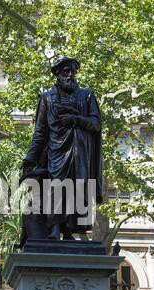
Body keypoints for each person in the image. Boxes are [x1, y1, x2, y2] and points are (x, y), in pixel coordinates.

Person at [21, 57, 103, 241]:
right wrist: (30, 159)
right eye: (66, 71)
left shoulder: (87, 95)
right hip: (55, 152)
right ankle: (54, 228)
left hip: (80, 153)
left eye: (73, 71)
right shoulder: (47, 98)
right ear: (57, 74)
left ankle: (68, 231)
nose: (70, 75)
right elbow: (40, 132)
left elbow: (96, 123)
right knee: (56, 187)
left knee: (77, 189)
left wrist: (76, 119)